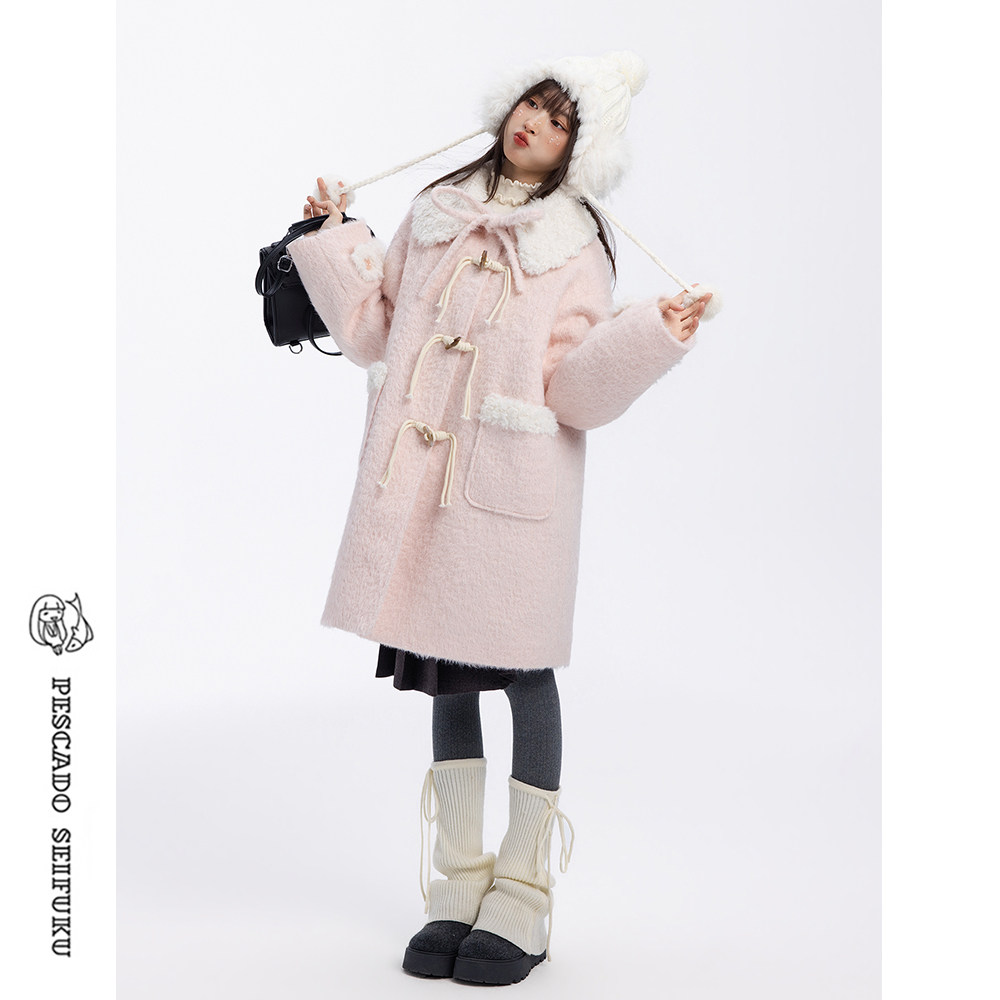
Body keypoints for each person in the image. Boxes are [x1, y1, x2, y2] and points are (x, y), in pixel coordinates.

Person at [288, 52, 711, 986]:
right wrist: (331, 239)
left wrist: (652, 335)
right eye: (533, 104)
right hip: (423, 492)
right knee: (446, 677)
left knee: (522, 674)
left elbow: (576, 390)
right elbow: (373, 330)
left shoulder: (577, 247)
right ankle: (457, 883)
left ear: (578, 151)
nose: (536, 124)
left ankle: (522, 892)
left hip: (509, 498)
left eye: (561, 121)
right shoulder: (435, 210)